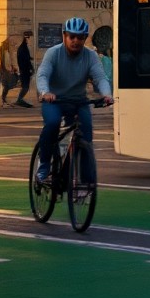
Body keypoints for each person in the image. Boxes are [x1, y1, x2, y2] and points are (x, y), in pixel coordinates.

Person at [34, 17, 113, 184]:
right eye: (72, 36)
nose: (76, 41)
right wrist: (45, 92)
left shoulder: (90, 56)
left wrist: (107, 94)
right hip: (54, 101)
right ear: (64, 36)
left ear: (85, 39)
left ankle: (85, 183)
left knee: (86, 136)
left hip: (78, 102)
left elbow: (100, 78)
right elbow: (43, 75)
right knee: (53, 123)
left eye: (80, 37)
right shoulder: (53, 53)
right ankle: (44, 165)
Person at [13, 31, 34, 107]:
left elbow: (26, 58)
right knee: (25, 87)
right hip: (24, 70)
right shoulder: (22, 48)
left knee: (25, 86)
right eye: (29, 38)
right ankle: (19, 99)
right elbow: (24, 60)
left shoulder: (23, 47)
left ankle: (20, 99)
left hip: (24, 70)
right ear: (27, 38)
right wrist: (30, 68)